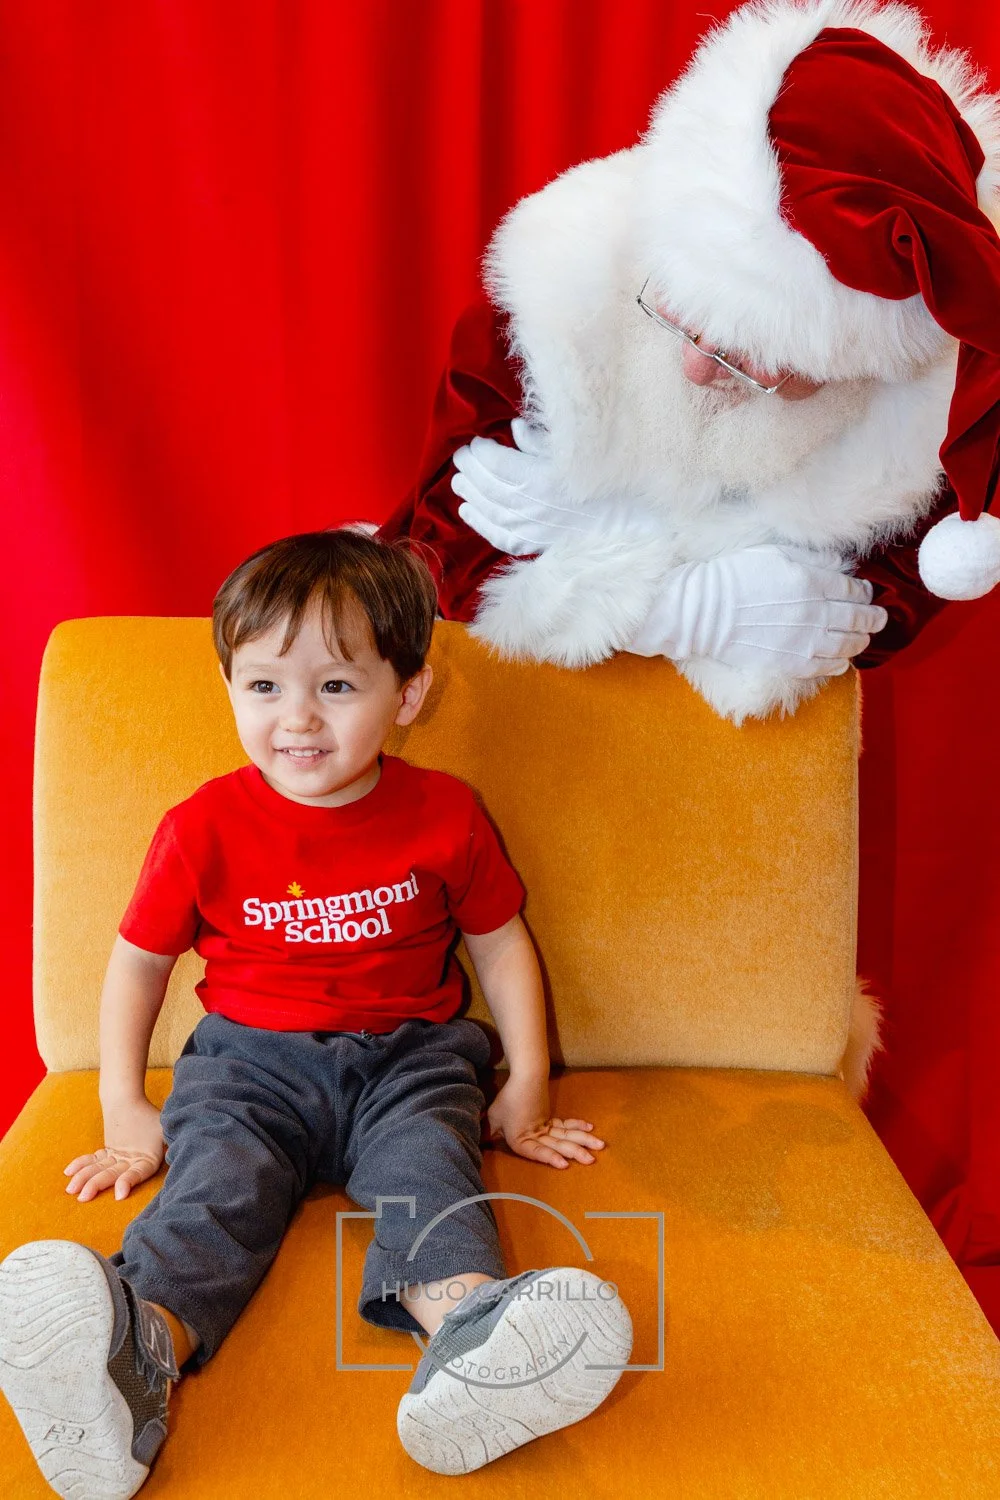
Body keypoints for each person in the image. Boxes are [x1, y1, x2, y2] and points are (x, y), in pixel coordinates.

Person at [0, 529, 633, 1497]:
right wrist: (126, 1104)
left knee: (431, 1176)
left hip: (410, 1062)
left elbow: (503, 944)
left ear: (406, 694)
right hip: (246, 1070)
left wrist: (529, 1086)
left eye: (336, 687)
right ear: (230, 690)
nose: (296, 719)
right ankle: (131, 1359)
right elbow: (139, 967)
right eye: (262, 687)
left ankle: (473, 1340)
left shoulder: (445, 814)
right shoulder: (202, 826)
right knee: (217, 1191)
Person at [380, 0, 1000, 724]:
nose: (698, 369)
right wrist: (677, 609)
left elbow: (871, 609)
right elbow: (437, 551)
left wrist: (595, 545)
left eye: (750, 361)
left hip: (742, 773)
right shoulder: (564, 287)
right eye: (679, 320)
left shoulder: (928, 401)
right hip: (522, 733)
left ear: (852, 364)